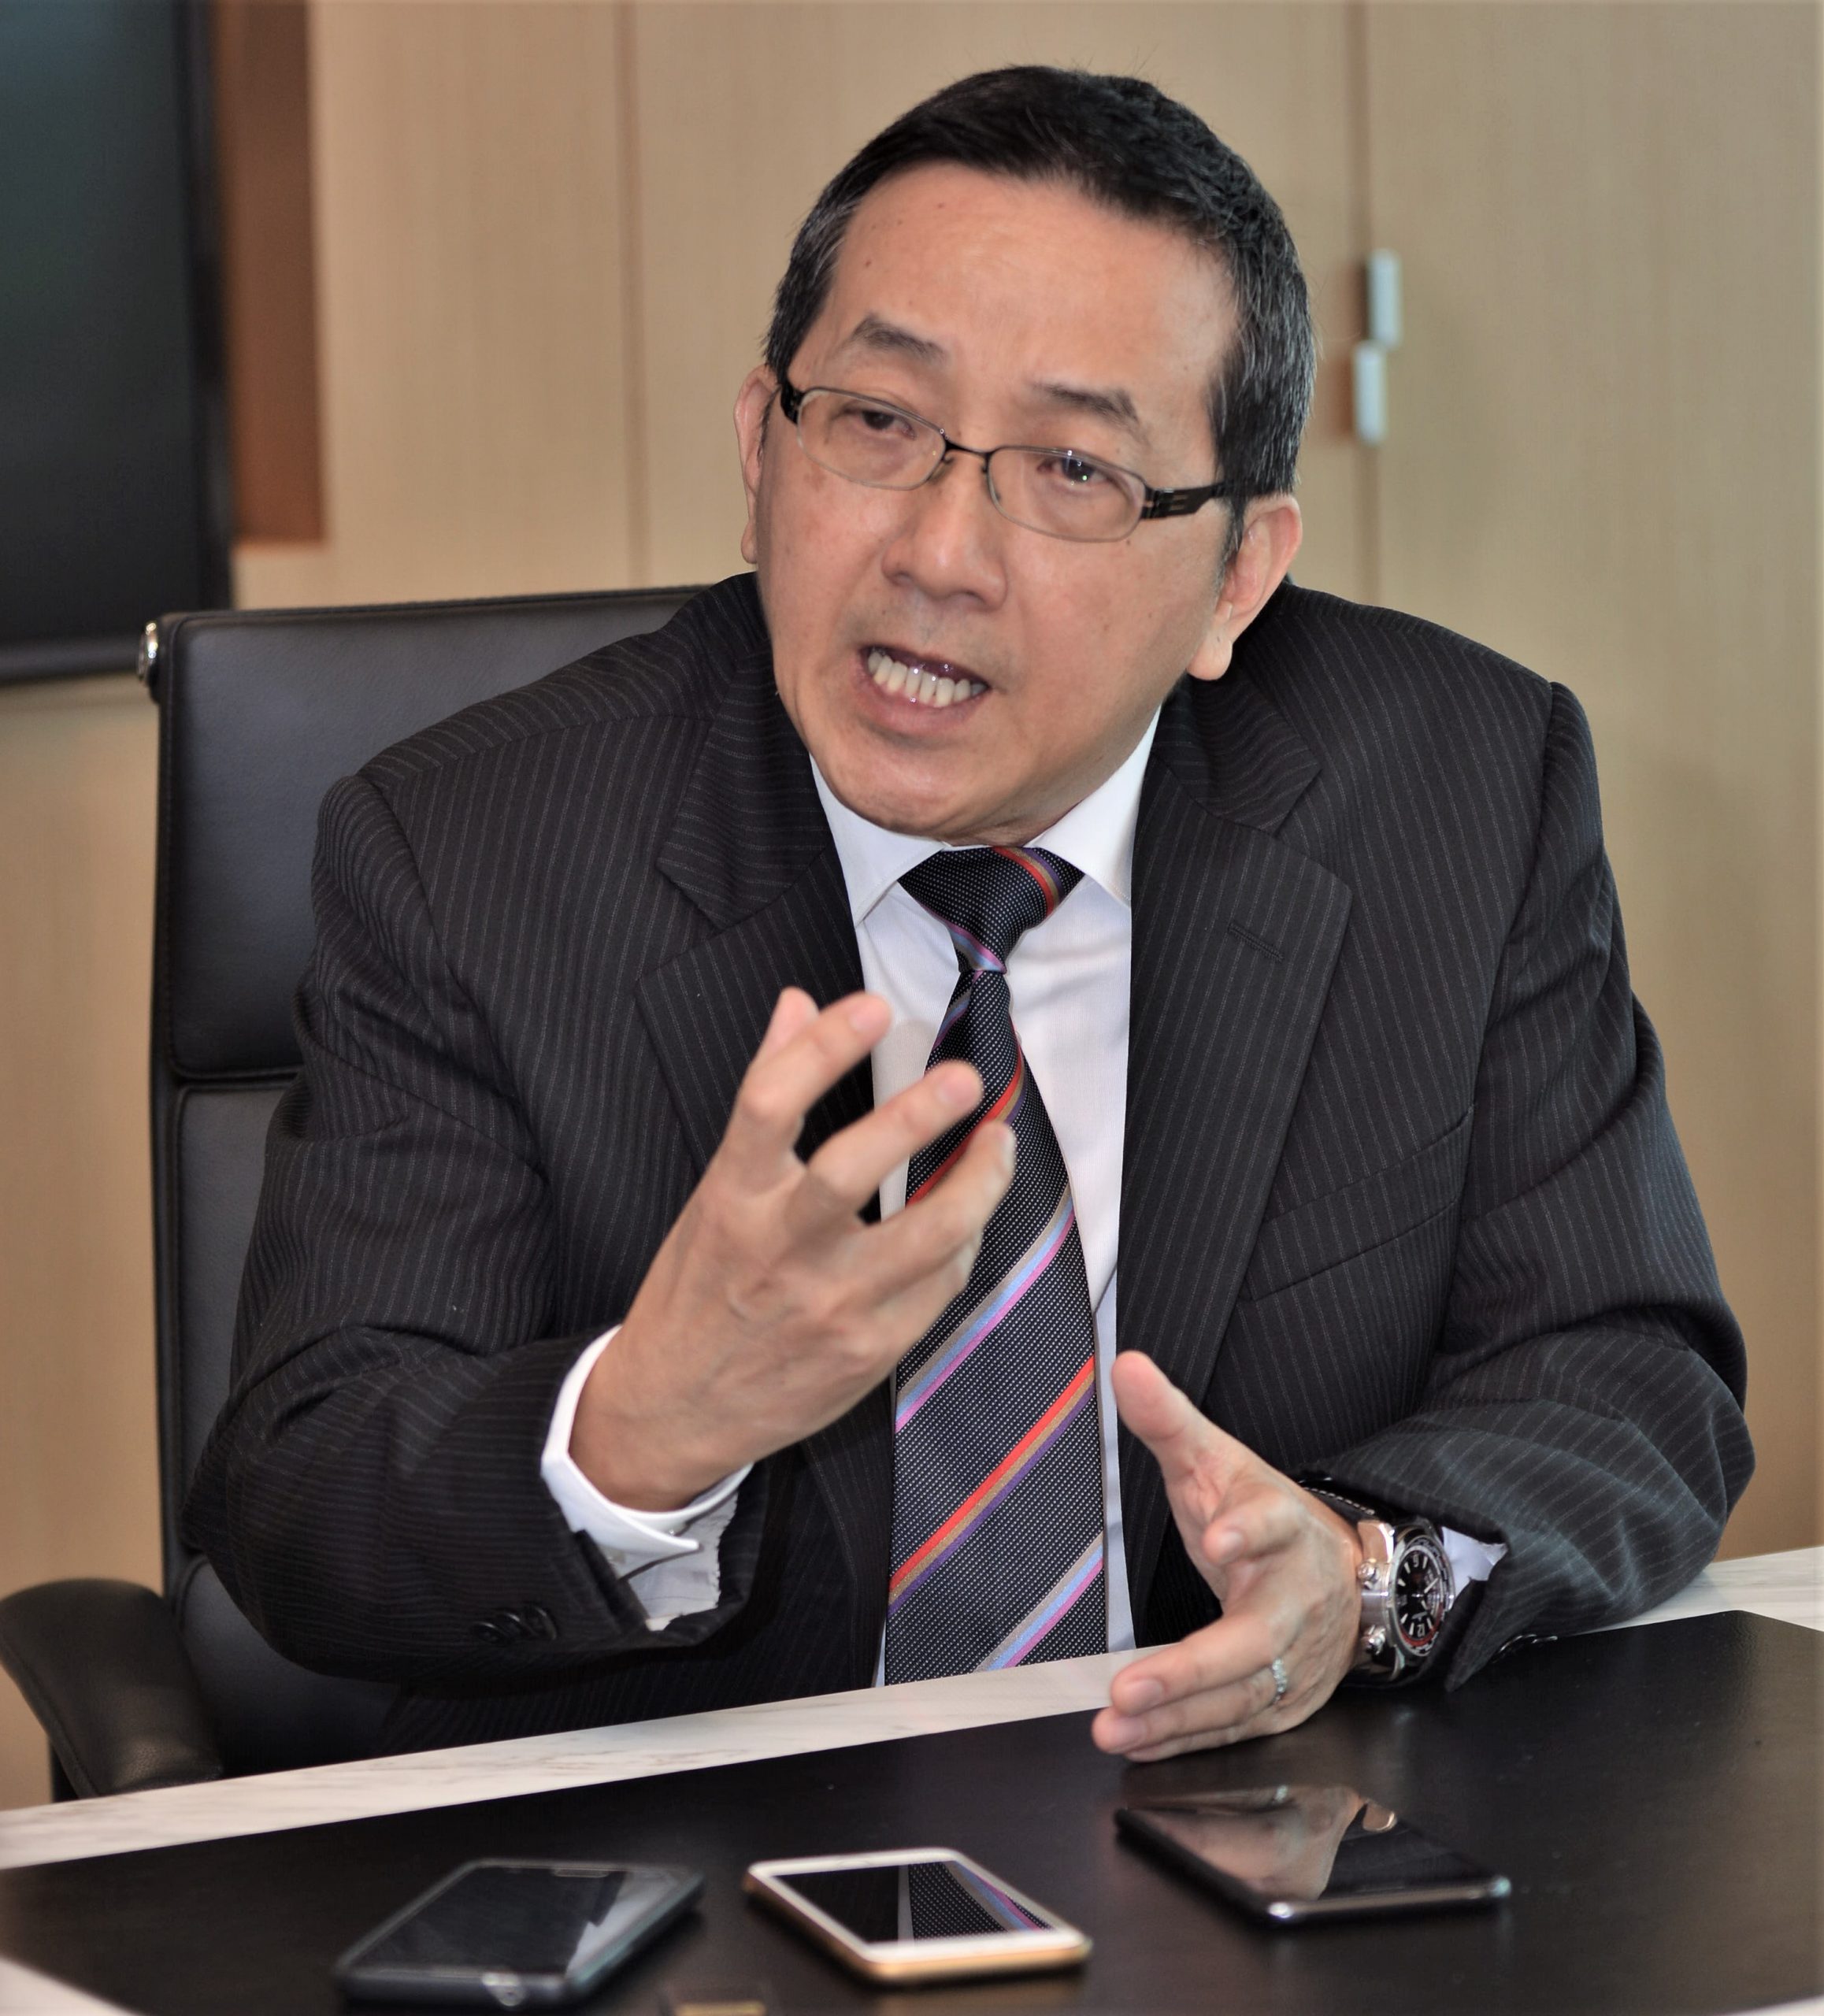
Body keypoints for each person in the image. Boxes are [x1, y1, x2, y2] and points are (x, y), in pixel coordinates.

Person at [186, 66, 1752, 1762]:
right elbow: (299, 1494)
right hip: (699, 1856)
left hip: (1260, 1830)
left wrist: (1362, 1578)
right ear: (758, 448)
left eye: (1074, 466)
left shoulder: (1459, 791)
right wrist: (638, 1429)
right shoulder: (474, 850)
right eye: (877, 423)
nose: (940, 552)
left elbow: (1629, 1378)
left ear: (1236, 577)